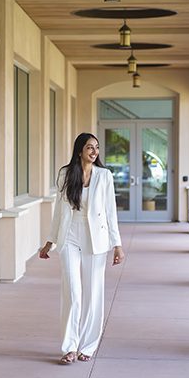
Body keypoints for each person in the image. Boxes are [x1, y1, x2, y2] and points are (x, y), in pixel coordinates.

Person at [39, 132, 125, 365]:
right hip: (70, 237)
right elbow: (59, 210)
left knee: (93, 293)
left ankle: (87, 345)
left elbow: (110, 211)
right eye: (89, 147)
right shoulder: (66, 174)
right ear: (79, 151)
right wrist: (50, 241)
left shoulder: (104, 176)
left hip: (96, 240)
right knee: (73, 293)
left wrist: (117, 245)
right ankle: (69, 347)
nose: (94, 151)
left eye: (96, 147)